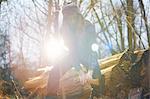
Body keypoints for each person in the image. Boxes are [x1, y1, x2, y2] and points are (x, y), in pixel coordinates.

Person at [47, 3, 104, 99]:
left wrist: (90, 70)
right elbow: (72, 51)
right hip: (73, 55)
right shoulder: (64, 30)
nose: (71, 20)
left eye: (73, 17)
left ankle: (97, 95)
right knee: (55, 71)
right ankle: (51, 96)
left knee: (97, 73)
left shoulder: (88, 26)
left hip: (87, 54)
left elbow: (93, 49)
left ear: (78, 15)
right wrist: (80, 70)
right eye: (68, 18)